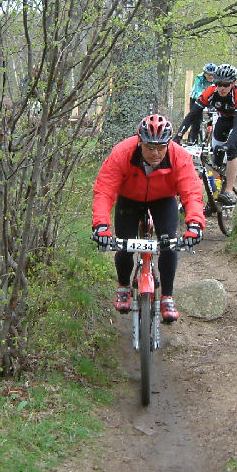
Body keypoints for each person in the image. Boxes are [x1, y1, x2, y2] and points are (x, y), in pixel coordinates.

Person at [91, 114, 205, 323]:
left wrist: (195, 224)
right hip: (130, 198)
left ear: (168, 144)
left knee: (169, 243)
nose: (155, 153)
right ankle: (124, 285)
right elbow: (104, 191)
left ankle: (167, 296)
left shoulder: (179, 156)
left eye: (161, 147)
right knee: (123, 245)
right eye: (150, 147)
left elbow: (192, 191)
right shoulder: (122, 153)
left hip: (163, 199)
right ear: (140, 142)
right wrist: (100, 226)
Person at [175, 63, 237, 205]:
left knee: (231, 148)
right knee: (215, 159)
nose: (222, 88)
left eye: (226, 85)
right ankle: (215, 194)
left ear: (233, 84)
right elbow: (192, 115)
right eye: (218, 84)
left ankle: (229, 190)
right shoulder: (210, 92)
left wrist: (230, 144)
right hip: (223, 117)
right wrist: (178, 136)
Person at [186, 63, 217, 143]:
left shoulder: (217, 80)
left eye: (213, 75)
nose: (211, 77)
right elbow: (198, 91)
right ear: (205, 73)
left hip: (210, 99)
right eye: (209, 75)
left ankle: (209, 137)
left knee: (214, 118)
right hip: (196, 98)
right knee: (196, 121)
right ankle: (193, 141)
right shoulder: (199, 78)